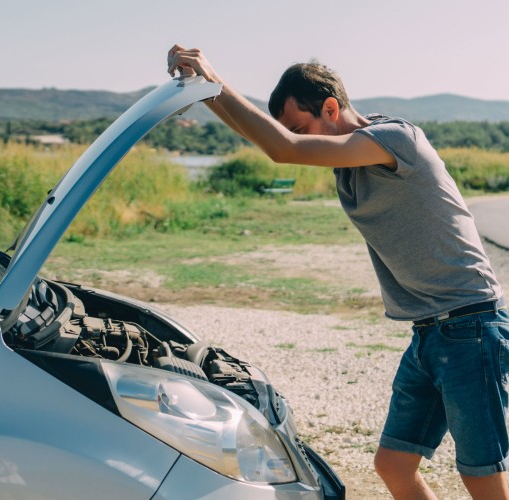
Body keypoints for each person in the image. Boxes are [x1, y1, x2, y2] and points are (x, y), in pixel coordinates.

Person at [167, 45, 509, 499]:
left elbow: (282, 148)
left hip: (471, 325)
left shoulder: (395, 140)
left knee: (481, 478)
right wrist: (209, 97)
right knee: (393, 466)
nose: (299, 139)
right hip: (429, 333)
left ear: (331, 107)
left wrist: (213, 83)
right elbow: (278, 142)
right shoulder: (350, 162)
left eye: (303, 127)